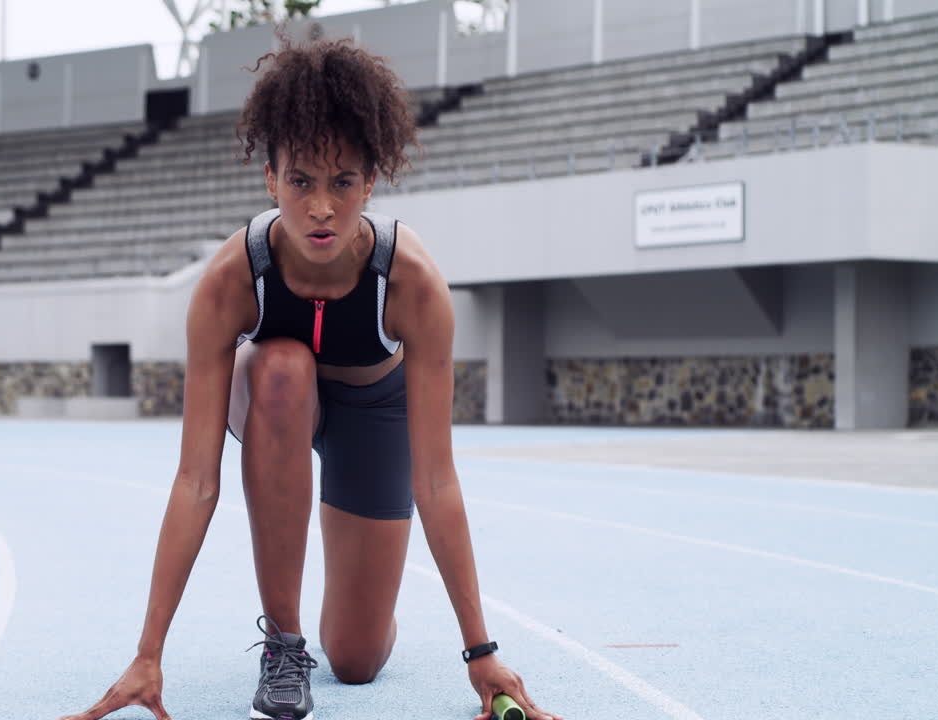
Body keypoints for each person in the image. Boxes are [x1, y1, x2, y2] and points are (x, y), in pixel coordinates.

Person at [60, 29, 562, 720]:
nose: (321, 208)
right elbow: (195, 479)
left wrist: (481, 651)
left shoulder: (410, 283)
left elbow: (438, 478)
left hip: (372, 415)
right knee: (282, 368)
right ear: (271, 179)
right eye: (300, 181)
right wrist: (149, 652)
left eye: (342, 182)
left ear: (371, 181)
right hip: (272, 402)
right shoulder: (231, 282)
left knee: (355, 662)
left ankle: (365, 614)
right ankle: (284, 647)